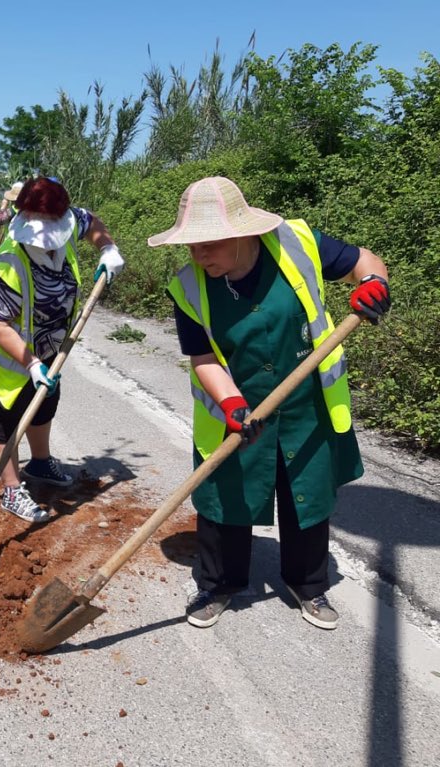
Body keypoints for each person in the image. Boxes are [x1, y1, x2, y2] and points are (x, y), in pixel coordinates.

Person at [149, 176, 391, 630]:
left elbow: (365, 261)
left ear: (243, 233)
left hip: (306, 401)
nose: (199, 257)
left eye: (208, 245)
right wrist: (232, 403)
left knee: (307, 494)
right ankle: (218, 585)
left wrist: (374, 283)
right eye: (191, 247)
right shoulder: (188, 286)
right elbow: (202, 356)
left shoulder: (298, 243)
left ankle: (308, 584)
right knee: (224, 497)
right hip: (237, 406)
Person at [0, 177, 125, 523]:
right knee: (7, 419)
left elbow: (92, 223)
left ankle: (41, 464)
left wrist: (108, 248)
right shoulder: (7, 266)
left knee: (45, 403)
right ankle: (12, 489)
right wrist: (30, 363)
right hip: (11, 356)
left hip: (49, 347)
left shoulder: (69, 222)